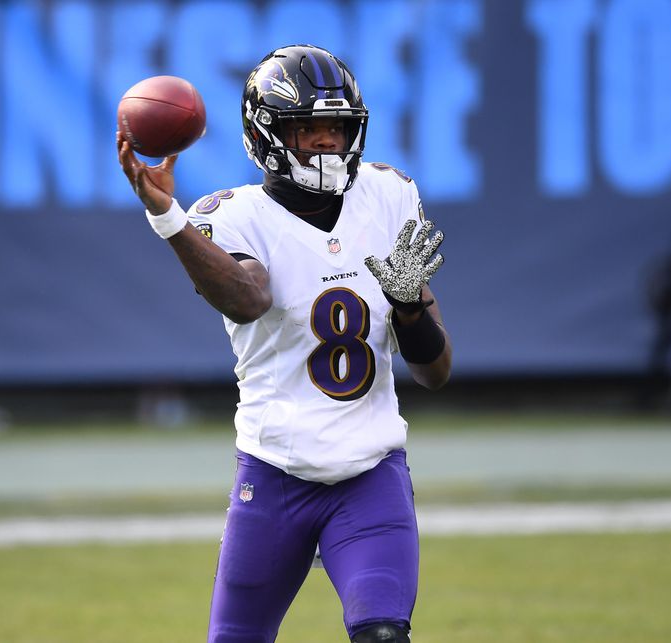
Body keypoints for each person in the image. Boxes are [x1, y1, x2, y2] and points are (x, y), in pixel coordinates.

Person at [116, 44, 451, 643]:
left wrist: (408, 305)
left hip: (369, 471)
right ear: (268, 135)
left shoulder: (389, 195)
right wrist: (169, 219)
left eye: (337, 129)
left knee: (384, 635)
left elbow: (435, 371)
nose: (327, 143)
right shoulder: (233, 215)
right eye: (310, 130)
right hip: (275, 474)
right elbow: (247, 298)